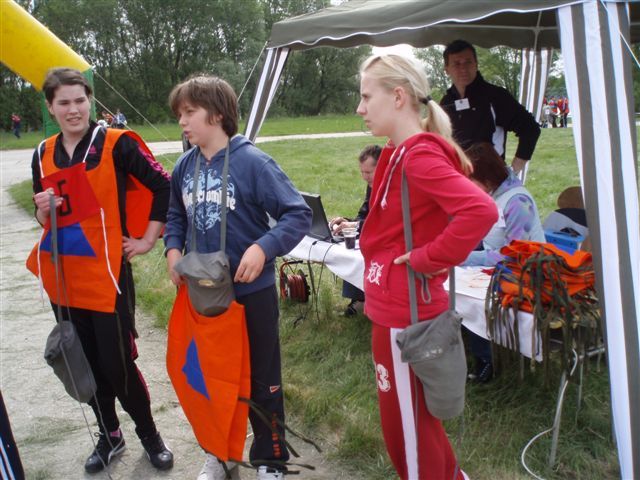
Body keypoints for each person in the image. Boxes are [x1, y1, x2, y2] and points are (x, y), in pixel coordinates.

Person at [356, 53, 498, 480]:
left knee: (409, 436)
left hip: (407, 317)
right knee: (410, 426)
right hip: (394, 309)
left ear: (398, 96)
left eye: (367, 97)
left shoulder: (418, 156)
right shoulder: (398, 153)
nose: (360, 108)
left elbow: (481, 210)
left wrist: (427, 258)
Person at [27, 68, 173, 474]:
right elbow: (45, 219)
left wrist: (147, 239)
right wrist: (43, 212)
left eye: (80, 100)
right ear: (50, 107)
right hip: (64, 279)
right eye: (64, 102)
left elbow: (164, 185)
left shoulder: (115, 143)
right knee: (84, 362)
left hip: (108, 278)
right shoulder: (42, 153)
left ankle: (150, 435)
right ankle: (110, 435)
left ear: (90, 100)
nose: (73, 109)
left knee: (118, 365)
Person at [164, 75, 311, 480]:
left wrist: (263, 247)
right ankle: (220, 453)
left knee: (262, 379)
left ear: (216, 114)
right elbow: (175, 215)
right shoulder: (184, 166)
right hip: (204, 294)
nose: (182, 121)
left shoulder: (254, 163)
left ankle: (270, 459)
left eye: (189, 112)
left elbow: (297, 214)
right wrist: (172, 248)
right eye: (180, 114)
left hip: (252, 293)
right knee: (210, 378)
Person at [460, 143, 546, 383]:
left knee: (473, 298)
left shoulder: (517, 201)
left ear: (487, 178)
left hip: (526, 272)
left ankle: (487, 360)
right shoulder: (493, 193)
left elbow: (516, 254)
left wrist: (469, 257)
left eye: (471, 180)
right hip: (497, 265)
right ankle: (470, 348)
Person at [440, 39, 541, 174]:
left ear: (476, 64)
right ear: (447, 69)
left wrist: (513, 171)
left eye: (468, 62)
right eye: (456, 64)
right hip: (457, 178)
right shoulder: (446, 103)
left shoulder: (495, 96)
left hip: (491, 179)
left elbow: (530, 129)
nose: (463, 69)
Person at [329, 144, 381, 316]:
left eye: (368, 172)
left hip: (384, 238)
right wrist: (348, 222)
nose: (364, 177)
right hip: (371, 235)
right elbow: (365, 214)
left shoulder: (391, 187)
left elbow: (381, 222)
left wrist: (355, 225)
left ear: (382, 167)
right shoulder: (372, 184)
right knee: (349, 249)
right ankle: (359, 298)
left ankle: (362, 299)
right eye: (362, 172)